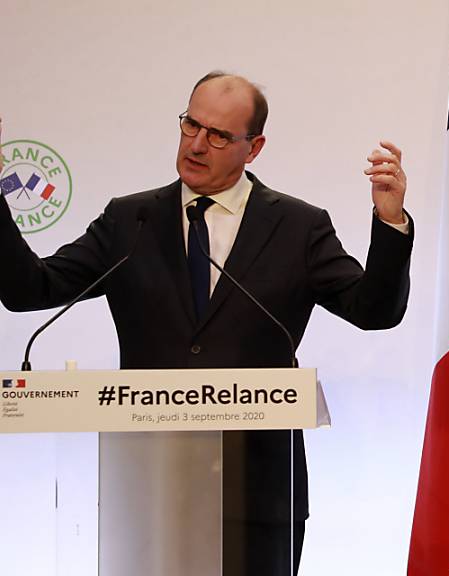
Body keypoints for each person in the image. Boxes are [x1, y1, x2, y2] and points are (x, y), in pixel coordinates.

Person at [0, 73, 413, 575]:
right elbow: (30, 290)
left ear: (253, 147)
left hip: (260, 494)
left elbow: (374, 312)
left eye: (218, 135)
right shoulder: (131, 220)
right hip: (150, 490)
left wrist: (390, 225)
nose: (196, 144)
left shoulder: (299, 227)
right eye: (190, 124)